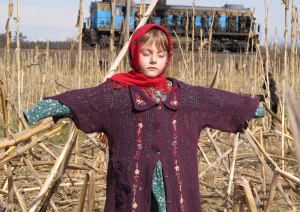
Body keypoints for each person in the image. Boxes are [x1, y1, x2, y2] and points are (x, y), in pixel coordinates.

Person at [24, 24, 263, 212]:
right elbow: (82, 100)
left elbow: (222, 102)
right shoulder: (116, 94)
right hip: (133, 185)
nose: (152, 60)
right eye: (146, 53)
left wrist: (254, 108)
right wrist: (43, 109)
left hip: (176, 186)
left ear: (167, 57)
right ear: (135, 54)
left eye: (160, 54)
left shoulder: (187, 97)